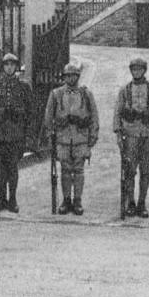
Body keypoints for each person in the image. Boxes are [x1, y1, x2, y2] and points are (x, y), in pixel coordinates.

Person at [43, 60, 99, 215]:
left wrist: (92, 138)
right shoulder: (56, 94)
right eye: (68, 76)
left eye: (74, 76)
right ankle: (66, 200)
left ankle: (78, 201)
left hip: (81, 138)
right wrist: (50, 137)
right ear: (64, 77)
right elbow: (48, 118)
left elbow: (94, 116)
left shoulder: (86, 94)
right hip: (63, 139)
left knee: (79, 170)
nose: (71, 79)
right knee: (65, 170)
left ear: (78, 76)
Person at [0, 52, 36, 213]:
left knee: (12, 166)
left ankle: (12, 199)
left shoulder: (23, 86)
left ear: (16, 67)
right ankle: (1, 198)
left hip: (16, 133)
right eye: (6, 64)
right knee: (0, 168)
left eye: (12, 64)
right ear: (2, 67)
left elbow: (31, 111)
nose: (9, 67)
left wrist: (27, 133)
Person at [113, 57, 149, 218]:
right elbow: (117, 112)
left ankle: (142, 202)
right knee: (129, 170)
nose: (137, 72)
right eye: (134, 69)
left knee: (146, 170)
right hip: (130, 135)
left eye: (140, 69)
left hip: (148, 134)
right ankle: (131, 202)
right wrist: (118, 133)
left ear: (144, 70)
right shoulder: (125, 89)